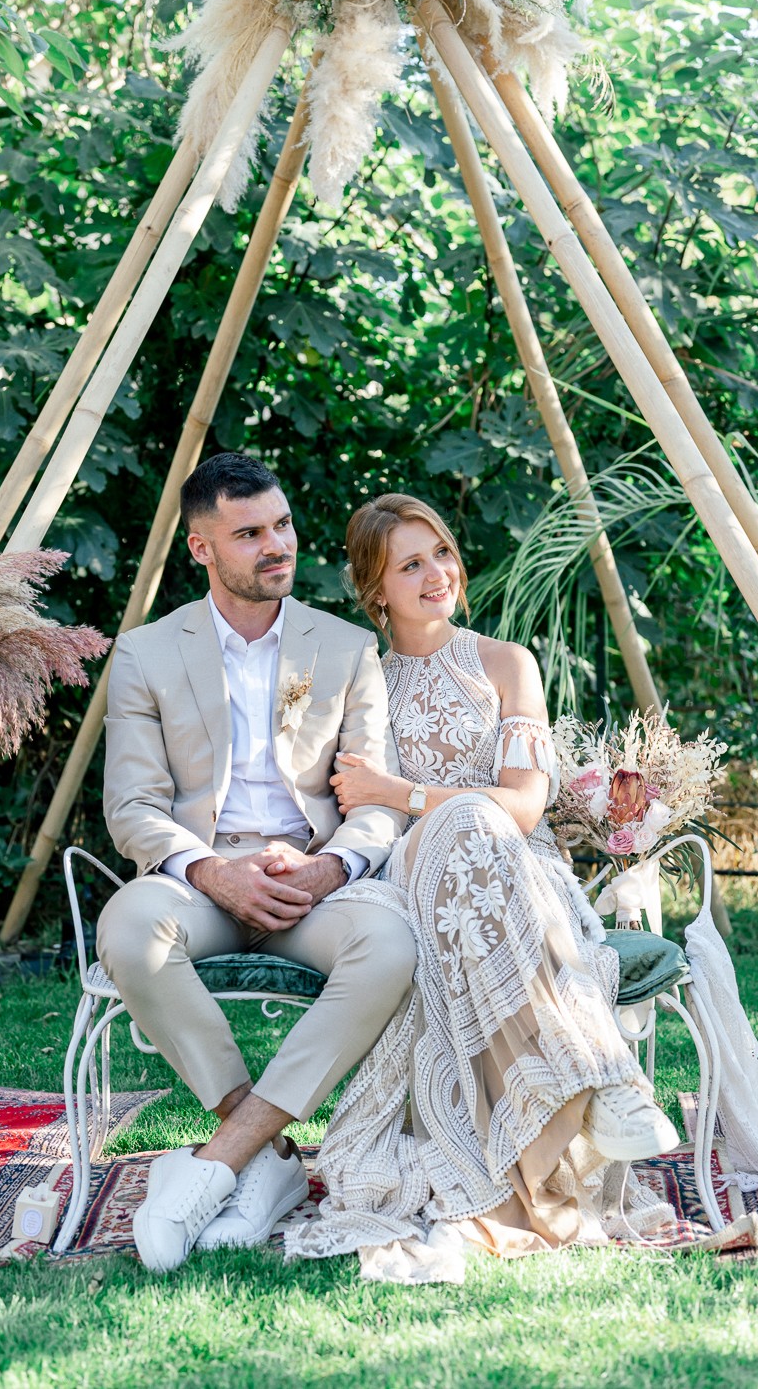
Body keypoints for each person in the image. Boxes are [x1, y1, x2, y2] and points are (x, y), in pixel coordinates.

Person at [285, 493, 678, 1278]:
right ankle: (589, 1079)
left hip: (520, 875)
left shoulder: (505, 663)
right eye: (410, 564)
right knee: (461, 826)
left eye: (441, 553)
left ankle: (561, 1108)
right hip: (412, 885)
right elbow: (350, 819)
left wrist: (403, 793)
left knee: (477, 825)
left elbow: (525, 804)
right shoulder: (360, 686)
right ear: (376, 592)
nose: (437, 573)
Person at [97, 454, 417, 1273]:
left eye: (281, 525)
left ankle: (219, 1162)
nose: (276, 546)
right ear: (201, 549)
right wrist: (207, 871)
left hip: (312, 878)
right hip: (199, 880)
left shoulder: (346, 649)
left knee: (390, 947)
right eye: (249, 535)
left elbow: (376, 801)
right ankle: (265, 1157)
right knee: (130, 930)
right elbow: (131, 806)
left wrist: (331, 869)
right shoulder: (144, 653)